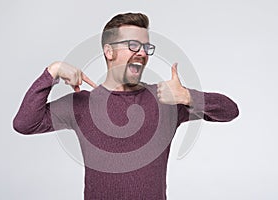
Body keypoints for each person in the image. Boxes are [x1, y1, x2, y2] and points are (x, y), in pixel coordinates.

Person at [13, 12, 239, 200]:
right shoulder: (82, 104)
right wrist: (52, 71)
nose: (141, 53)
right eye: (133, 45)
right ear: (109, 51)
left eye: (146, 47)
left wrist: (188, 96)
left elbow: (230, 110)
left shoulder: (166, 100)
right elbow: (25, 124)